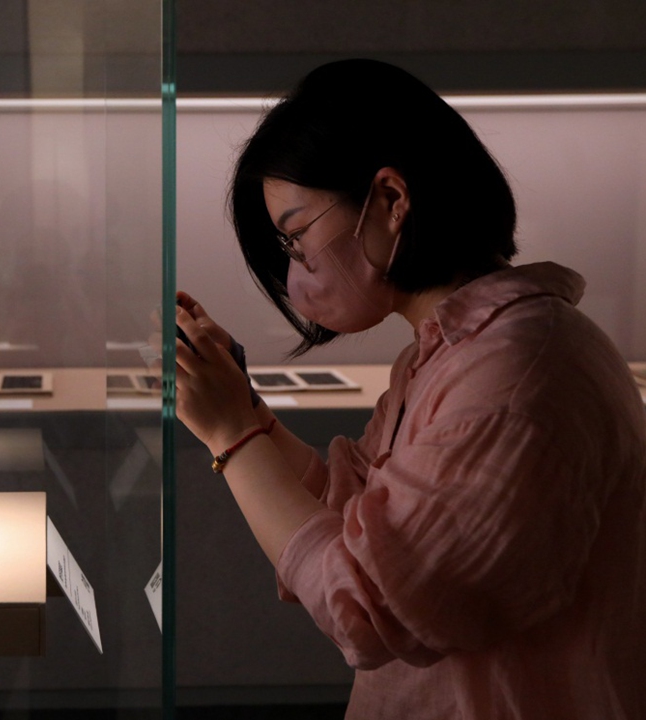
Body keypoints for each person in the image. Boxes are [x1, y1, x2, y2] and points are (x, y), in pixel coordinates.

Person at [175, 58, 646, 719]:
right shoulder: (455, 352)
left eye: (297, 237)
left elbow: (368, 607)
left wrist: (234, 436)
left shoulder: (516, 377)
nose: (295, 273)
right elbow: (358, 517)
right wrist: (241, 406)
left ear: (392, 202)